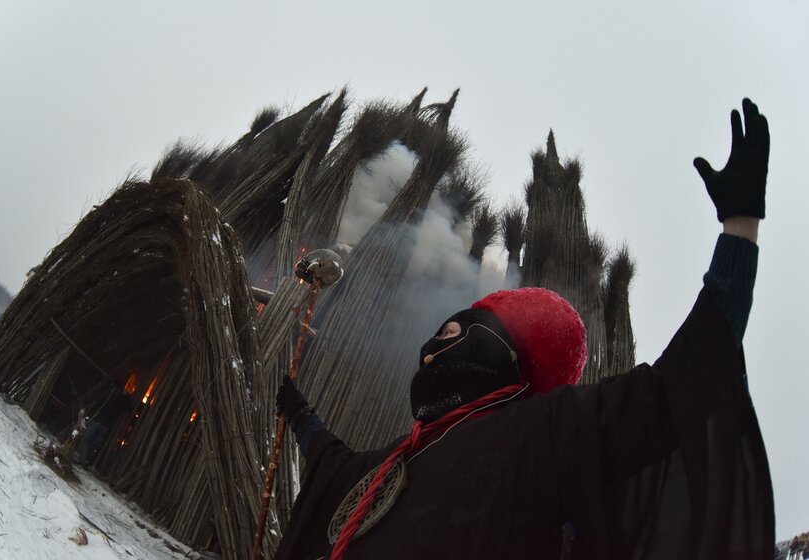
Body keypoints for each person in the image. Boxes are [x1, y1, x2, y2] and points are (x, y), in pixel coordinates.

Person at [273, 98, 774, 559]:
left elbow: (685, 380)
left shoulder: (546, 433)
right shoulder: (397, 462)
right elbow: (331, 461)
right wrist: (297, 409)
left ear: (502, 350)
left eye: (450, 336)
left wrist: (740, 227)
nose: (428, 352)